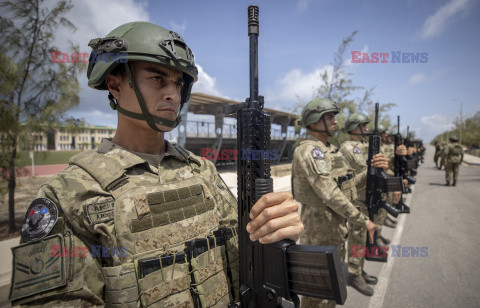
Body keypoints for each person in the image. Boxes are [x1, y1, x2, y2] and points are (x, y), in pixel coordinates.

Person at [9, 22, 303, 307]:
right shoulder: (69, 194)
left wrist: (275, 237)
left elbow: (244, 259)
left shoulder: (202, 172)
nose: (173, 94)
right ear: (114, 83)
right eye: (157, 79)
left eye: (178, 83)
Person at [291, 98, 389, 307]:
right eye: (329, 117)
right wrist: (362, 220)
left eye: (334, 116)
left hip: (335, 226)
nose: (335, 121)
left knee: (331, 289)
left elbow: (349, 184)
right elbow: (329, 193)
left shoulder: (331, 149)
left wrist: (373, 168)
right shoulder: (309, 151)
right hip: (319, 229)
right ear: (315, 120)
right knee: (318, 292)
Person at [339, 113, 378, 296]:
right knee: (357, 235)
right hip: (356, 199)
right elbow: (363, 171)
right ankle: (354, 274)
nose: (366, 129)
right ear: (353, 127)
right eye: (362, 125)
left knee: (362, 236)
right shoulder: (349, 148)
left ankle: (359, 269)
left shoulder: (362, 146)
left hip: (364, 196)